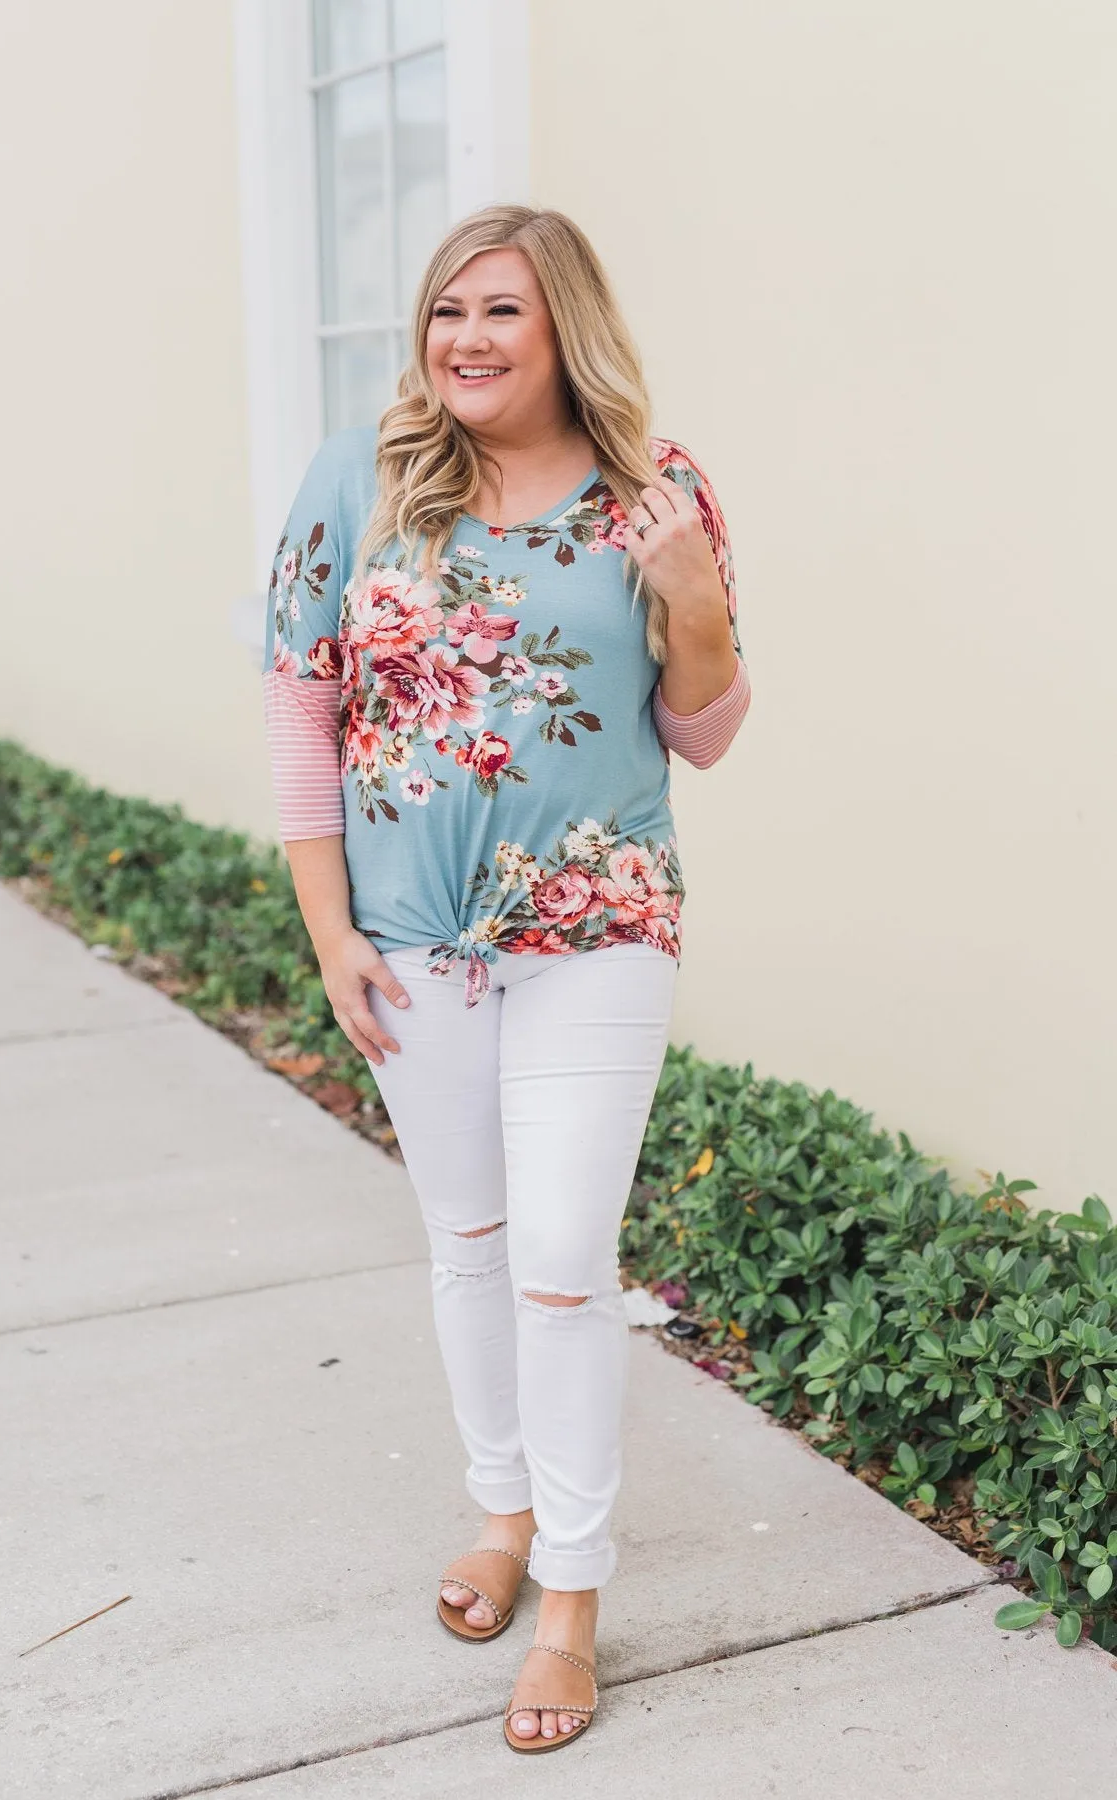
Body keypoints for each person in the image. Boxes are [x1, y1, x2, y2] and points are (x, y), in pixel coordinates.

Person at [262, 204, 750, 1755]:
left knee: (558, 1252)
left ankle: (574, 1602)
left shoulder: (659, 494)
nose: (464, 339)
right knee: (467, 1240)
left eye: (501, 315)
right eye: (445, 310)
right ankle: (503, 1513)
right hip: (408, 941)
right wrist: (331, 935)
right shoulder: (359, 481)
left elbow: (708, 731)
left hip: (595, 928)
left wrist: (691, 600)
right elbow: (302, 715)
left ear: (566, 337)